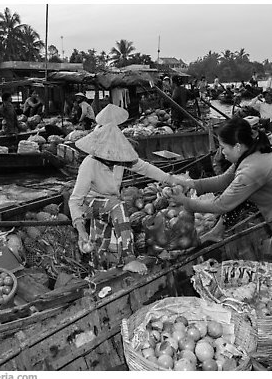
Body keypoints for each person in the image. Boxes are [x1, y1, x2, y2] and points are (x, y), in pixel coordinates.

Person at [167, 117, 272, 275]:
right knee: (239, 197)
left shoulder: (252, 169)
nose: (221, 152)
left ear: (238, 146)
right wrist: (190, 184)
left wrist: (187, 203)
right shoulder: (250, 154)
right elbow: (223, 181)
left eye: (223, 147)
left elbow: (221, 205)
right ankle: (217, 232)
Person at [69, 104, 187, 270]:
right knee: (117, 206)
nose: (115, 162)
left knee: (103, 239)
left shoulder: (120, 157)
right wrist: (81, 230)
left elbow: (144, 167)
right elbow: (75, 201)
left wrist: (170, 179)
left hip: (110, 203)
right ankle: (129, 258)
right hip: (88, 204)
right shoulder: (89, 164)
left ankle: (100, 268)